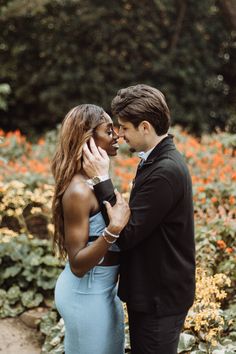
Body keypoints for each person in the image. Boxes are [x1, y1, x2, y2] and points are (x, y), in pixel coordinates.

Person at [82, 84, 196, 354]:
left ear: (145, 126)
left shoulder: (164, 171)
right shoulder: (157, 160)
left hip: (159, 296)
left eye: (124, 127)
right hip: (153, 290)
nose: (120, 134)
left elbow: (128, 232)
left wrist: (101, 179)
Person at [51, 104, 130, 354]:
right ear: (88, 138)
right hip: (85, 296)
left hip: (105, 293)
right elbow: (77, 263)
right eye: (109, 131)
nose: (117, 136)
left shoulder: (95, 181)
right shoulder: (78, 190)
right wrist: (113, 230)